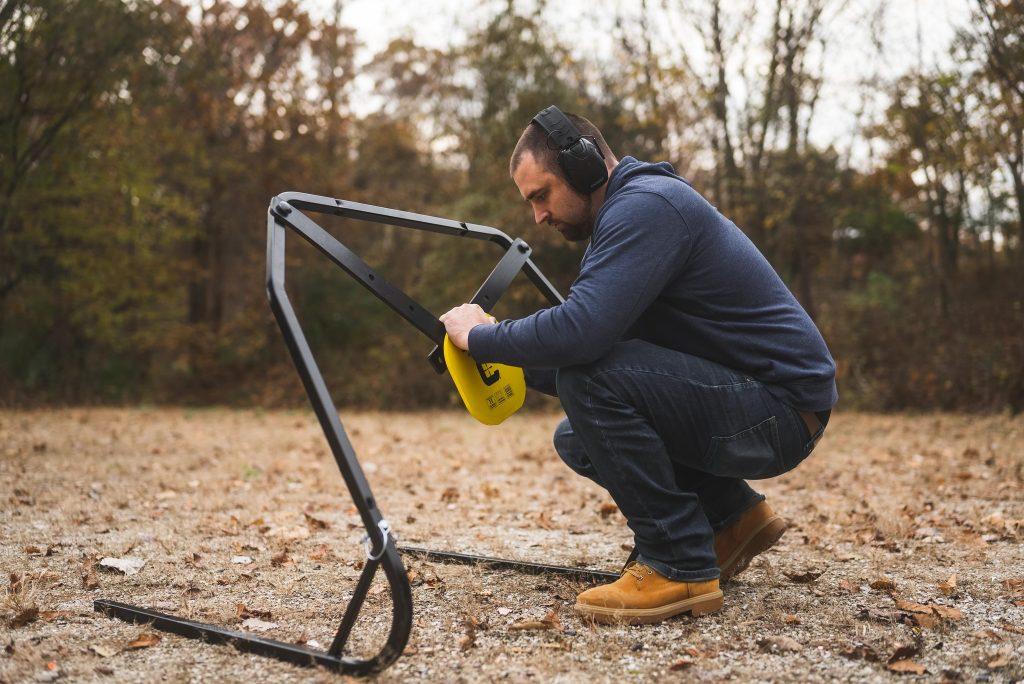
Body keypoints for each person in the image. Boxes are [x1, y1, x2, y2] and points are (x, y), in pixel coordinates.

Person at [439, 106, 837, 625]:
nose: (537, 215)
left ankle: (679, 565)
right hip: (765, 403)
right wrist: (487, 355)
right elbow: (599, 348)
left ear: (585, 167)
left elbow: (584, 339)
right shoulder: (631, 216)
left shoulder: (646, 208)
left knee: (589, 377)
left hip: (779, 410)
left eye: (541, 195)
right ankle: (732, 519)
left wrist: (485, 337)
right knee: (578, 437)